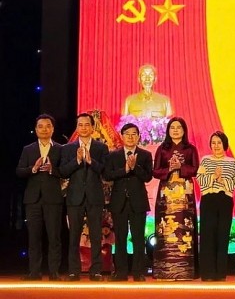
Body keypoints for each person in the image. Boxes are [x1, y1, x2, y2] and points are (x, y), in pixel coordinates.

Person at [60, 112, 110, 281]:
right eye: (80, 125)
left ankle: (96, 271)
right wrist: (76, 160)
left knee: (96, 235)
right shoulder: (68, 148)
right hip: (74, 197)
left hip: (95, 197)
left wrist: (90, 161)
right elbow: (63, 171)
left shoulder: (101, 148)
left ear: (92, 127)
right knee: (74, 235)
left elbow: (105, 171)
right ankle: (74, 271)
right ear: (77, 127)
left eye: (87, 124)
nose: (83, 128)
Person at [16, 114, 63, 281]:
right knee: (34, 237)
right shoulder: (28, 149)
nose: (44, 129)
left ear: (53, 129)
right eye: (41, 126)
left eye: (48, 126)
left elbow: (65, 171)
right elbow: (19, 171)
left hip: (53, 198)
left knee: (54, 237)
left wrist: (52, 169)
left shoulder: (61, 149)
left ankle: (54, 272)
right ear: (36, 130)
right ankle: (34, 272)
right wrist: (33, 168)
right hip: (33, 199)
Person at [104, 123, 153, 282]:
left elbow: (148, 177)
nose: (130, 137)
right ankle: (121, 272)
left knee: (138, 238)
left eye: (134, 134)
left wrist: (134, 167)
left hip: (138, 202)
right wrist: (125, 170)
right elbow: (107, 175)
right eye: (127, 134)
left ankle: (138, 272)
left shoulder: (145, 155)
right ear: (122, 136)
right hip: (119, 202)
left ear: (138, 136)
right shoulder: (114, 156)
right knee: (120, 238)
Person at [152, 117, 199, 280]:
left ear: (184, 130)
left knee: (184, 228)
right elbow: (155, 171)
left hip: (185, 194)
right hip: (166, 195)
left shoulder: (190, 149)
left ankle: (185, 270)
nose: (176, 130)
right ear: (168, 130)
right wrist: (169, 169)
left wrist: (181, 167)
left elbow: (196, 169)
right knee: (166, 228)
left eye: (179, 127)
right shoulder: (162, 149)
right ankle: (164, 269)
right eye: (173, 127)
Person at [197, 131, 235, 282]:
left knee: (222, 235)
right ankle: (207, 273)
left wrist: (222, 181)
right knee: (207, 235)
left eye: (219, 142)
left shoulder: (233, 162)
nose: (216, 146)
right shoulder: (205, 160)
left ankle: (220, 273)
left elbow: (234, 183)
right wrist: (214, 176)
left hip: (225, 200)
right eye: (213, 143)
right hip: (208, 199)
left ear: (224, 144)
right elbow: (200, 180)